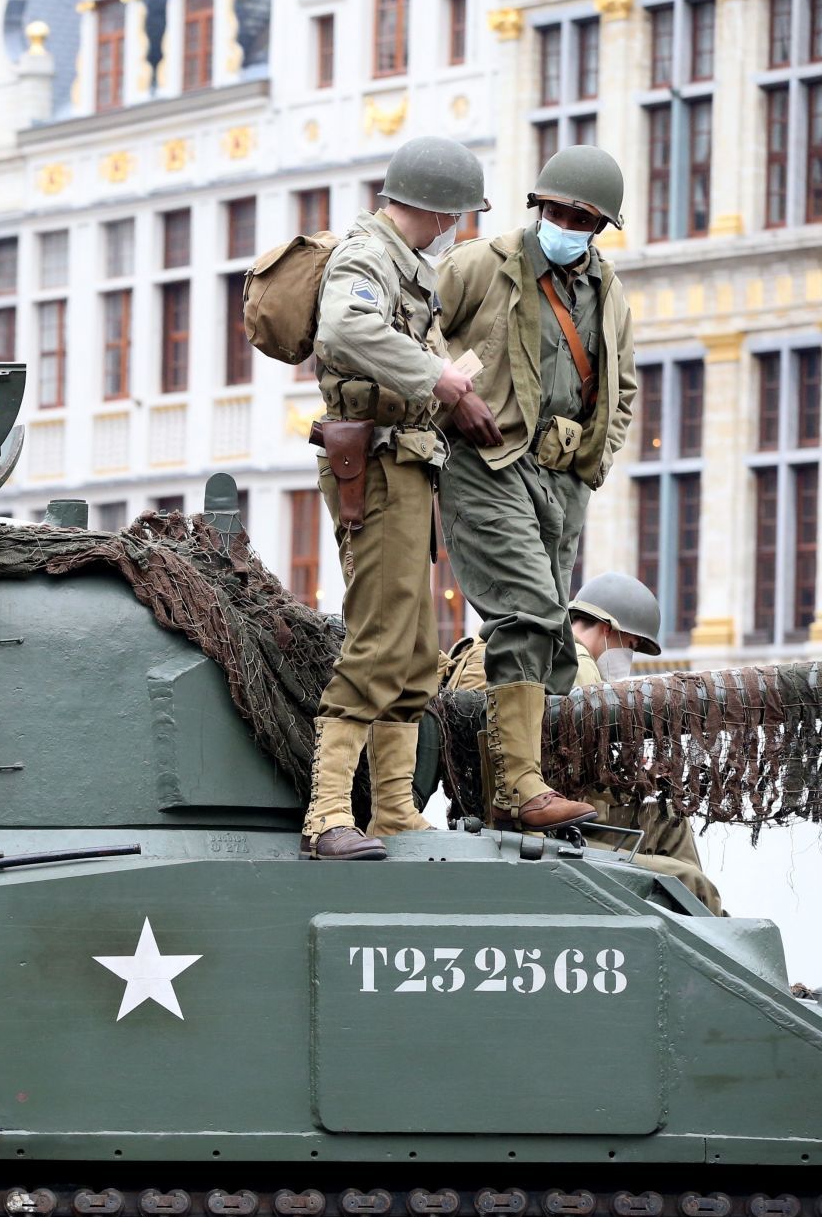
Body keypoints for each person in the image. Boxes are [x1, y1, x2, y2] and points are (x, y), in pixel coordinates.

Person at [302, 135, 499, 861]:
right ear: (443, 210)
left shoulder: (407, 265)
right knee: (380, 635)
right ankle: (327, 813)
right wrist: (438, 378)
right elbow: (345, 328)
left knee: (417, 648)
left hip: (411, 463)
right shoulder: (367, 255)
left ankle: (391, 808)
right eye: (459, 214)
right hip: (378, 465)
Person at [434, 145, 636, 833]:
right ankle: (520, 786)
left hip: (560, 480)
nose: (565, 222)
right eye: (554, 210)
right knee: (525, 610)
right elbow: (409, 330)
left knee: (551, 639)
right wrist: (450, 392)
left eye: (580, 215)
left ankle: (515, 788)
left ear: (600, 225)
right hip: (487, 464)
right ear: (537, 207)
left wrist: (595, 461)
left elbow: (623, 387)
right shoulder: (478, 265)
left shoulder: (609, 292)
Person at [439, 572, 723, 912]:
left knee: (667, 814)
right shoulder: (575, 664)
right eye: (630, 645)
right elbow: (577, 776)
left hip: (503, 813)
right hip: (545, 827)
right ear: (608, 629)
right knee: (690, 880)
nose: (628, 657)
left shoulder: (491, 651)